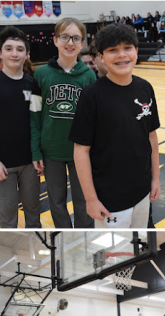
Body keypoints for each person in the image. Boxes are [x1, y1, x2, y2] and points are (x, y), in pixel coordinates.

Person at [70, 24, 160, 228]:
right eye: (112, 50)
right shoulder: (91, 96)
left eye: (127, 48)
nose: (122, 55)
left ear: (136, 51)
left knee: (138, 246)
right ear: (100, 57)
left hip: (142, 191)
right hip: (109, 199)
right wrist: (91, 199)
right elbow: (80, 151)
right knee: (113, 256)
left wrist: (155, 179)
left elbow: (152, 137)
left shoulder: (145, 88)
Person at [31, 18, 97, 228]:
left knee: (83, 200)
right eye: (65, 37)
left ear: (82, 42)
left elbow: (95, 120)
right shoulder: (40, 74)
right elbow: (33, 116)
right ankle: (65, 236)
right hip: (51, 151)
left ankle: (83, 236)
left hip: (81, 151)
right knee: (56, 202)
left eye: (76, 38)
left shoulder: (89, 76)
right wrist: (35, 152)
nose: (70, 42)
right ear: (55, 40)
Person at [0, 26, 40, 229]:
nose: (15, 53)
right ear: (0, 52)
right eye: (9, 48)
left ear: (27, 54)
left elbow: (37, 122)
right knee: (8, 215)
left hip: (30, 163)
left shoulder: (33, 84)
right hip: (3, 165)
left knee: (33, 212)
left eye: (20, 49)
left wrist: (39, 155)